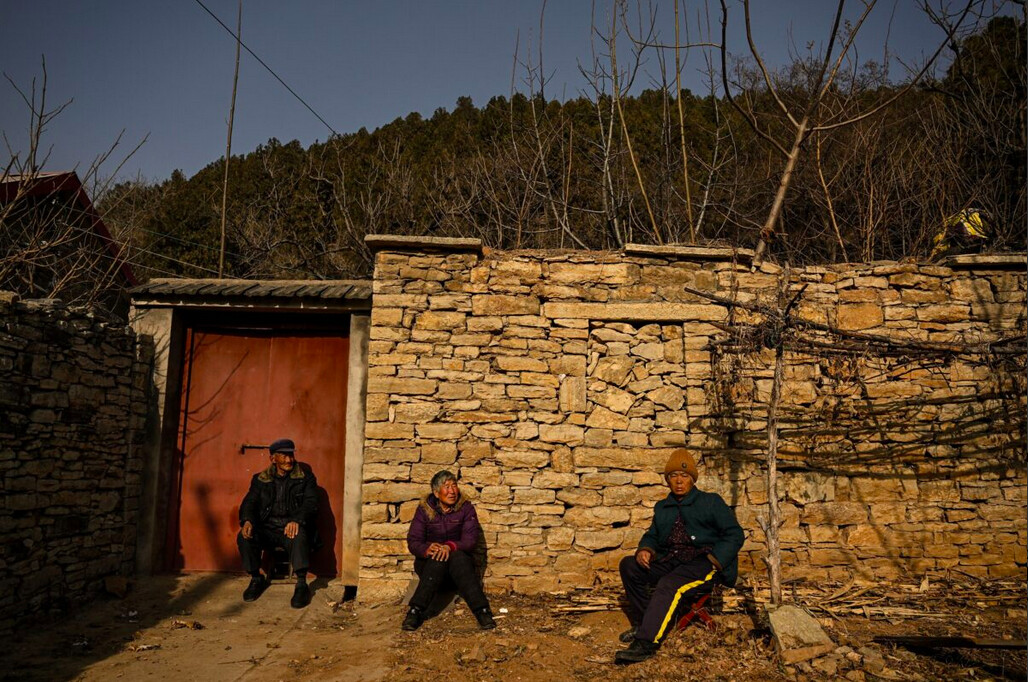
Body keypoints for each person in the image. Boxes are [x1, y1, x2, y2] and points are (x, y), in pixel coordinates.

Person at [614, 448, 745, 665]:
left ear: (692, 479)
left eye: (684, 476)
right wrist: (645, 549)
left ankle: (646, 643)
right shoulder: (663, 507)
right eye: (673, 476)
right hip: (671, 560)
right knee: (629, 565)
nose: (679, 481)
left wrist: (715, 560)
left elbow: (734, 534)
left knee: (669, 584)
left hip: (703, 562)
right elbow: (653, 535)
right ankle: (644, 622)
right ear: (667, 480)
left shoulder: (710, 502)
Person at [401, 470, 496, 631]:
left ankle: (482, 611)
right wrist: (427, 549)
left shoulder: (466, 509)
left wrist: (450, 546)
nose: (452, 491)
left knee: (457, 556)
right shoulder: (424, 510)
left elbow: (470, 540)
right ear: (437, 493)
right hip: (430, 568)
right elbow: (414, 541)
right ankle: (415, 611)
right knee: (438, 558)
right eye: (447, 487)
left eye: (454, 486)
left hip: (459, 570)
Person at [236, 438, 318, 609]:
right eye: (284, 456)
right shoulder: (260, 479)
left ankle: (301, 584)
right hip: (268, 529)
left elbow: (311, 503)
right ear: (273, 458)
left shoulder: (305, 478)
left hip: (290, 529)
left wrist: (296, 520)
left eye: (291, 455)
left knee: (299, 534)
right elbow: (249, 502)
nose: (289, 460)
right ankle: (255, 578)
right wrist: (247, 520)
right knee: (244, 537)